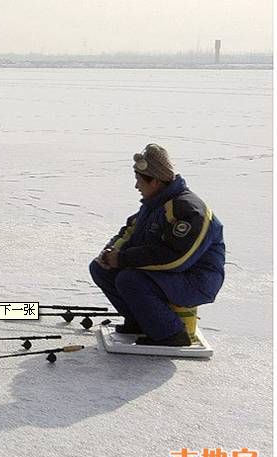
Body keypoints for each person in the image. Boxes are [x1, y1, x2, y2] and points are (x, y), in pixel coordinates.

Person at [89, 144, 226, 347]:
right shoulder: (154, 205)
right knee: (101, 269)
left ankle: (171, 333)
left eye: (138, 180)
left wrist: (123, 259)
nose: (137, 186)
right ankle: (142, 321)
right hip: (171, 275)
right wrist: (109, 254)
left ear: (154, 181)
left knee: (130, 279)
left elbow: (176, 259)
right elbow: (129, 233)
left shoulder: (188, 210)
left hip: (196, 280)